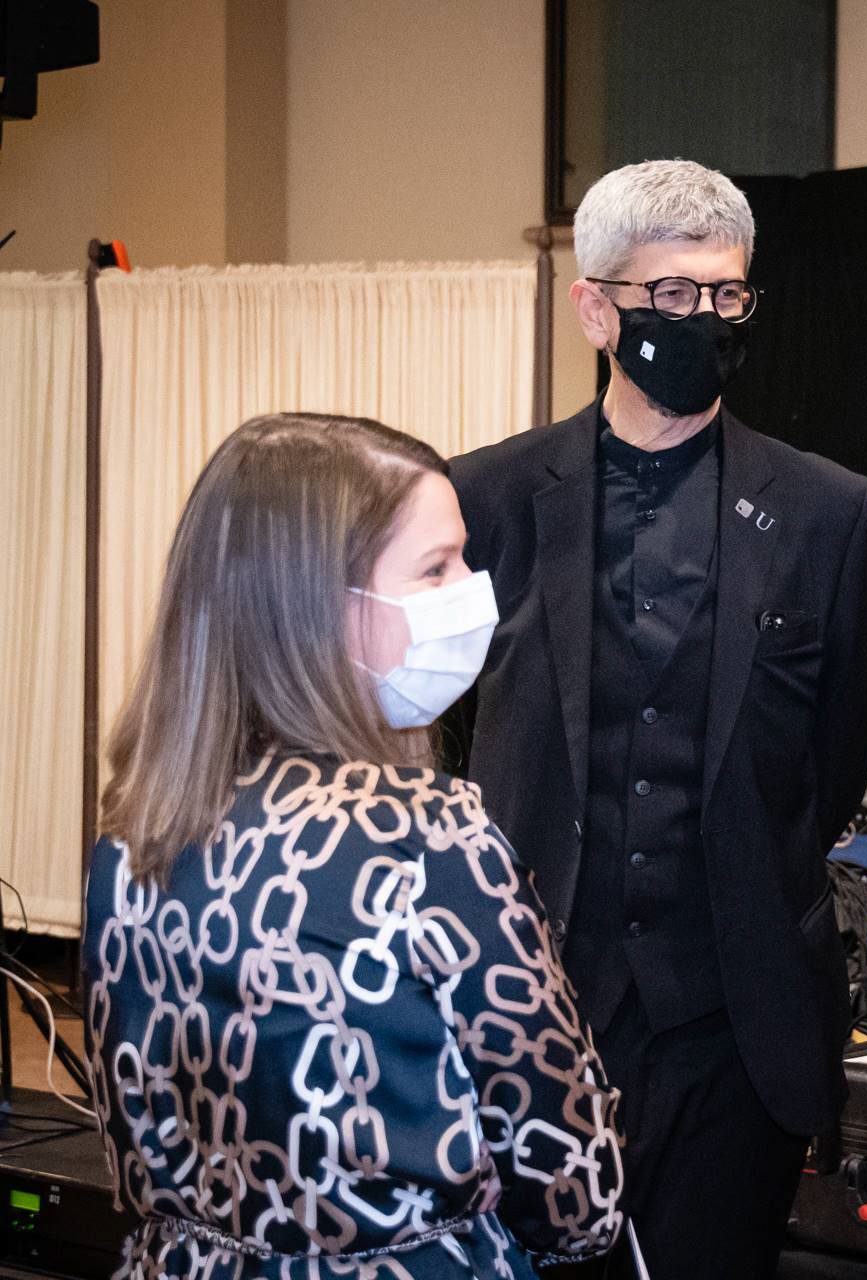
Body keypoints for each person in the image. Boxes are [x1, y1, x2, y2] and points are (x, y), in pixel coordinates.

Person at [445, 159, 867, 1279]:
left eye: (727, 294)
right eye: (674, 294)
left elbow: (832, 761)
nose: (707, 319)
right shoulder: (485, 499)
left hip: (737, 1027)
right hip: (528, 1009)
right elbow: (443, 742)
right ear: (598, 309)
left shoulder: (828, 510)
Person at [84, 413, 623, 1280]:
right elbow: (572, 1188)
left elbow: (131, 1133)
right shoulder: (428, 837)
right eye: (436, 568)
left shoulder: (128, 833)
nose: (472, 592)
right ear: (319, 607)